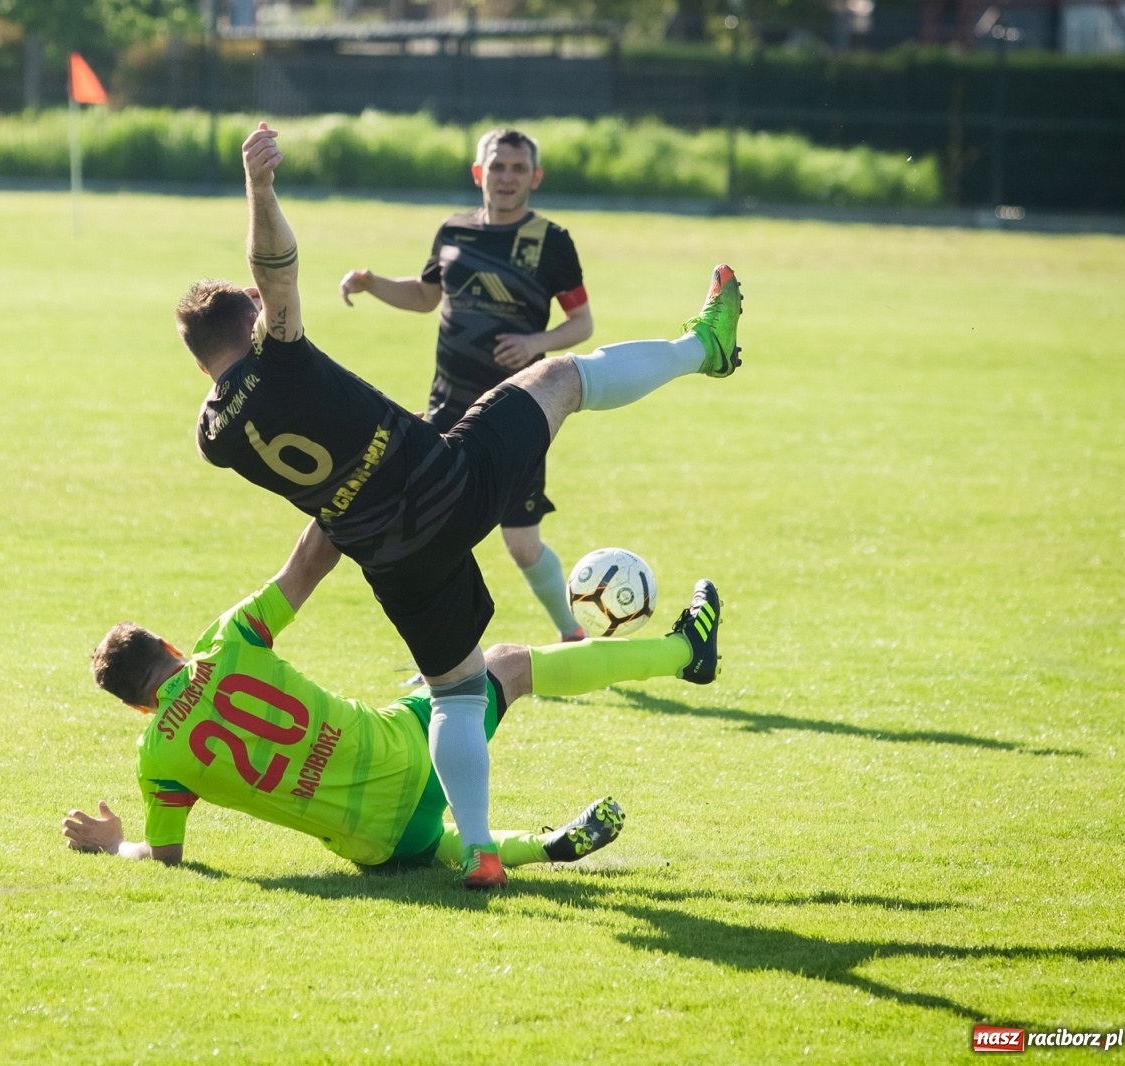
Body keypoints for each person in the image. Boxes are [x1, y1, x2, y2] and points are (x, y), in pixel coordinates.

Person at [178, 121, 741, 887]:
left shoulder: (214, 434)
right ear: (252, 320)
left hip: (392, 560)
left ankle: (478, 850)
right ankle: (702, 349)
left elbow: (225, 375)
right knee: (560, 380)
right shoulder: (279, 355)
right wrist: (261, 187)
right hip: (447, 483)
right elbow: (274, 268)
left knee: (456, 692)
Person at [66, 520, 724, 877]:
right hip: (406, 751)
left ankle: (539, 848)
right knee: (506, 666)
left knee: (430, 846)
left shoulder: (157, 760)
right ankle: (682, 652)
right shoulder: (227, 642)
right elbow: (307, 565)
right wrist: (352, 484)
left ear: (137, 706)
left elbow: (169, 859)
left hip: (374, 843)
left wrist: (112, 844)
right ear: (174, 647)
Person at [339, 127, 597, 643]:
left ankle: (570, 632)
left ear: (536, 177)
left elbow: (582, 323)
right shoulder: (453, 231)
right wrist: (372, 284)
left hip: (520, 412)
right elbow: (424, 295)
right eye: (497, 167)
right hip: (446, 410)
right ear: (479, 173)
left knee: (522, 543)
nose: (506, 177)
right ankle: (446, 655)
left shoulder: (551, 242)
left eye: (518, 168)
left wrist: (534, 342)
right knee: (428, 531)